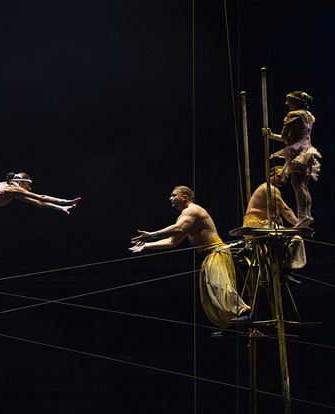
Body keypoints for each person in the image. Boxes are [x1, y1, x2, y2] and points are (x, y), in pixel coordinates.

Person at [129, 186, 251, 328]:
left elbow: (179, 228)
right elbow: (172, 241)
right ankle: (228, 322)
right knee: (211, 294)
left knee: (220, 285)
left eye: (174, 195)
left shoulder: (192, 210)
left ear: (185, 197)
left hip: (217, 252)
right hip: (209, 255)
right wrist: (147, 245)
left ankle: (245, 312)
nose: (171, 198)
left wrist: (152, 234)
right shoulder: (184, 216)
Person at [263, 90, 321, 228]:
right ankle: (306, 214)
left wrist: (274, 136)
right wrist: (271, 136)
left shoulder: (293, 114)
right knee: (303, 185)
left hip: (298, 152)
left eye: (289, 101)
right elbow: (297, 137)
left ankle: (302, 215)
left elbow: (285, 137)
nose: (286, 103)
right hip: (307, 150)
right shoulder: (308, 115)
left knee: (297, 184)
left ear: (297, 102)